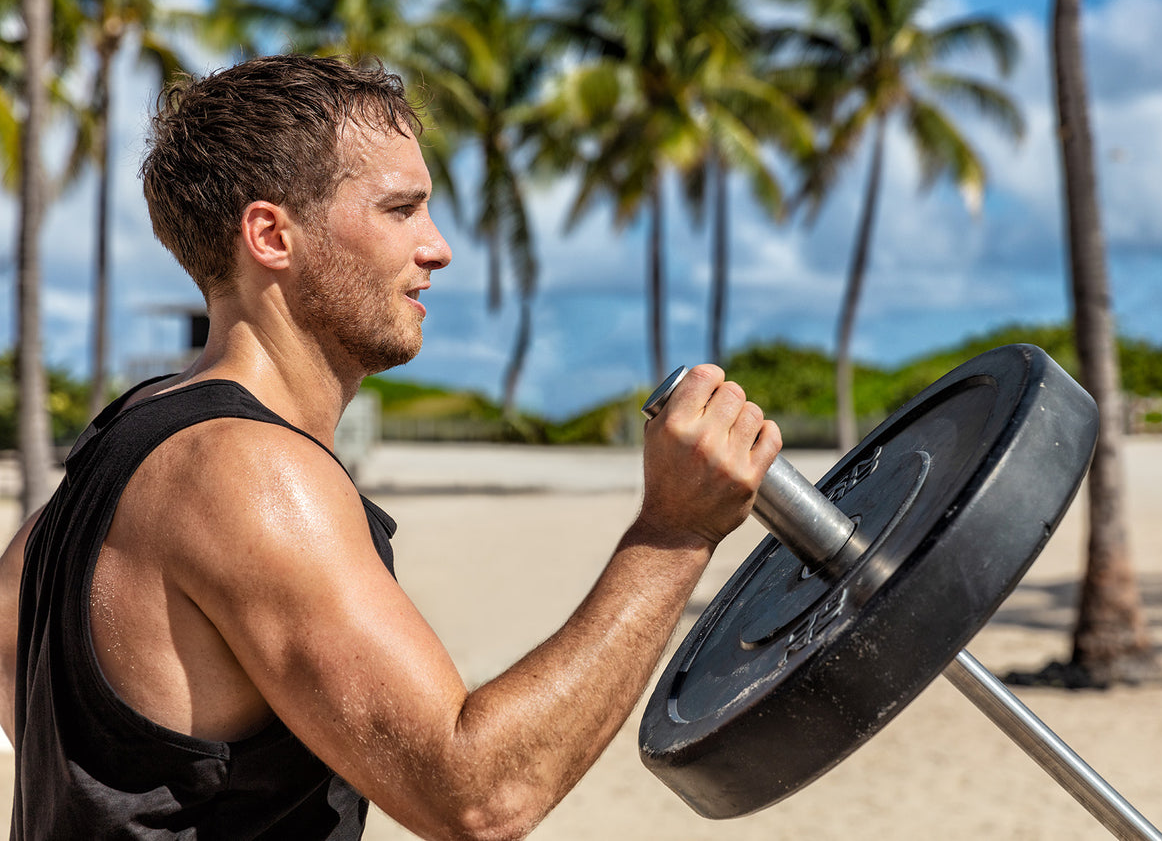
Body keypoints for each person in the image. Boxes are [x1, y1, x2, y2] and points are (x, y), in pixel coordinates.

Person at [0, 54, 782, 839]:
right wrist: (673, 532)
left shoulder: (122, 440)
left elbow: (14, 657)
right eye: (401, 210)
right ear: (272, 234)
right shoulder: (247, 471)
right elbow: (477, 795)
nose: (437, 248)